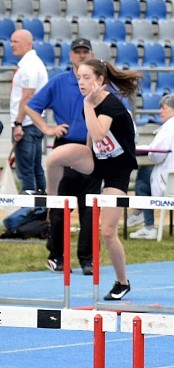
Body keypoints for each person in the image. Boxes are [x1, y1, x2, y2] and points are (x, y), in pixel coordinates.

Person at [45, 59, 141, 300]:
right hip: (97, 160)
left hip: (117, 171)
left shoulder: (112, 105)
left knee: (108, 231)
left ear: (100, 80)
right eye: (78, 78)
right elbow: (91, 135)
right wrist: (86, 157)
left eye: (87, 78)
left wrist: (88, 104)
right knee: (55, 158)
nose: (81, 83)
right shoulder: (90, 103)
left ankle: (122, 282)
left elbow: (100, 133)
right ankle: (50, 198)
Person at [25, 38, 101, 275]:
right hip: (65, 148)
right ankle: (56, 255)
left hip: (90, 150)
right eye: (77, 52)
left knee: (90, 206)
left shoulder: (99, 85)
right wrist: (48, 129)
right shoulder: (60, 82)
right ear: (70, 56)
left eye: (84, 52)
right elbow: (31, 106)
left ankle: (87, 258)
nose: (80, 55)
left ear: (91, 54)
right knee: (60, 205)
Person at [129, 94, 174, 240]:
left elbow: (156, 156)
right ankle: (140, 211)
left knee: (143, 175)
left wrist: (147, 150)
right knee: (147, 175)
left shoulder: (169, 128)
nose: (160, 111)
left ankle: (147, 223)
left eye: (163, 108)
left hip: (173, 180)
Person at [8, 29, 49, 193]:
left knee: (26, 171)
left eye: (15, 41)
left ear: (28, 43)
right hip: (32, 123)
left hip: (26, 124)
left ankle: (30, 211)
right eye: (11, 41)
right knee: (35, 167)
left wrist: (18, 123)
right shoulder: (31, 63)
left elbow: (27, 97)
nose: (11, 45)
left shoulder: (29, 66)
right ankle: (40, 208)